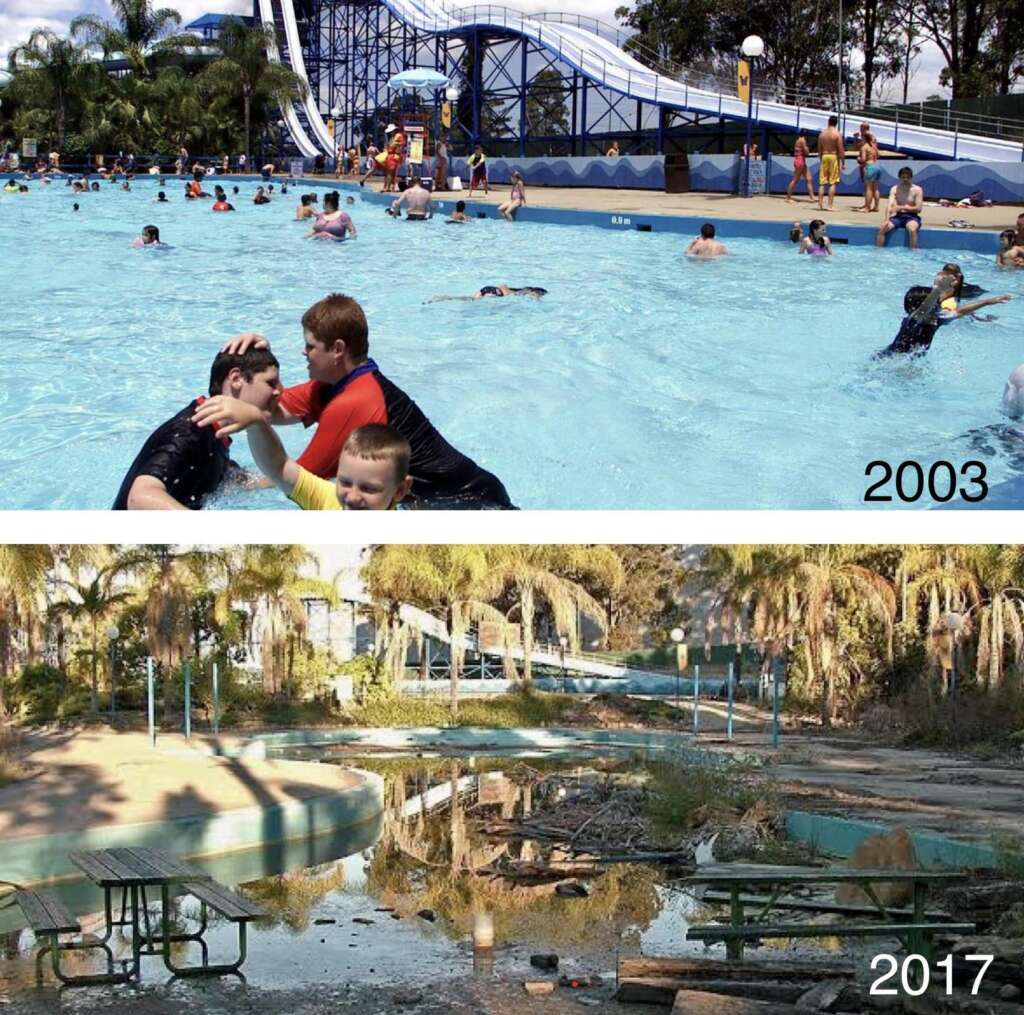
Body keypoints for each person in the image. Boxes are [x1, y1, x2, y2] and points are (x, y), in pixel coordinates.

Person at [217, 294, 513, 508]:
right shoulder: (336, 384)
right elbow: (272, 409)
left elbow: (292, 477)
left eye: (310, 346)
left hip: (470, 501)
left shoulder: (356, 401)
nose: (303, 352)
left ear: (337, 349)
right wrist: (257, 364)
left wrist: (231, 486)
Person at [113, 347, 282, 510]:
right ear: (236, 379)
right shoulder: (190, 431)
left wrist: (297, 477)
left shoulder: (213, 435)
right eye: (270, 383)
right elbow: (140, 497)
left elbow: (242, 481)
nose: (278, 392)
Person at [191, 401, 414, 510]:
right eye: (345, 482)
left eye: (369, 488)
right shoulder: (328, 500)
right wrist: (256, 422)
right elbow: (279, 467)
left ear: (401, 490)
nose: (352, 497)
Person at [877, 266, 1011, 358]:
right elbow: (923, 310)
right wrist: (936, 291)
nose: (937, 306)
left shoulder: (936, 319)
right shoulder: (912, 320)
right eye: (935, 303)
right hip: (889, 359)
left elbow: (960, 312)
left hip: (907, 361)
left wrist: (988, 301)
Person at [877, 166, 924, 250]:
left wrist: (903, 207)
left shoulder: (917, 190)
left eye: (907, 177)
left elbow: (919, 209)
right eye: (903, 177)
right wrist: (886, 219)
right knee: (882, 228)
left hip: (912, 217)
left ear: (911, 177)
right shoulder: (895, 189)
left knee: (912, 229)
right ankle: (878, 251)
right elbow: (889, 205)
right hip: (898, 217)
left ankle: (913, 251)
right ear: (899, 178)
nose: (905, 179)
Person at [816, 115, 845, 211]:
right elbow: (841, 150)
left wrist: (821, 159)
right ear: (836, 123)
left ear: (828, 122)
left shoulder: (822, 134)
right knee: (832, 182)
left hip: (824, 156)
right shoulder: (837, 134)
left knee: (822, 182)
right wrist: (843, 162)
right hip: (833, 156)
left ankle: (819, 205)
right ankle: (830, 206)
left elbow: (819, 149)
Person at [785, 130, 817, 203]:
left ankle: (812, 197)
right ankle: (788, 198)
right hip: (800, 161)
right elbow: (806, 152)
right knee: (795, 179)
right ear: (805, 135)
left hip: (799, 160)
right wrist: (808, 148)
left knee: (809, 178)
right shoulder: (802, 140)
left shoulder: (798, 140)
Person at [855, 132, 881, 213]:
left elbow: (863, 159)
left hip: (869, 167)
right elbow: (878, 155)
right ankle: (876, 207)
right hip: (877, 166)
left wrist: (858, 159)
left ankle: (867, 208)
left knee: (868, 189)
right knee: (876, 188)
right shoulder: (874, 146)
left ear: (864, 138)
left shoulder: (864, 147)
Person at [427, 285, 547, 301]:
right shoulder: (526, 292)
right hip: (493, 292)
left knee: (467, 298)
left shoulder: (520, 289)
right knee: (468, 300)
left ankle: (442, 297)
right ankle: (442, 298)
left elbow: (503, 286)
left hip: (491, 289)